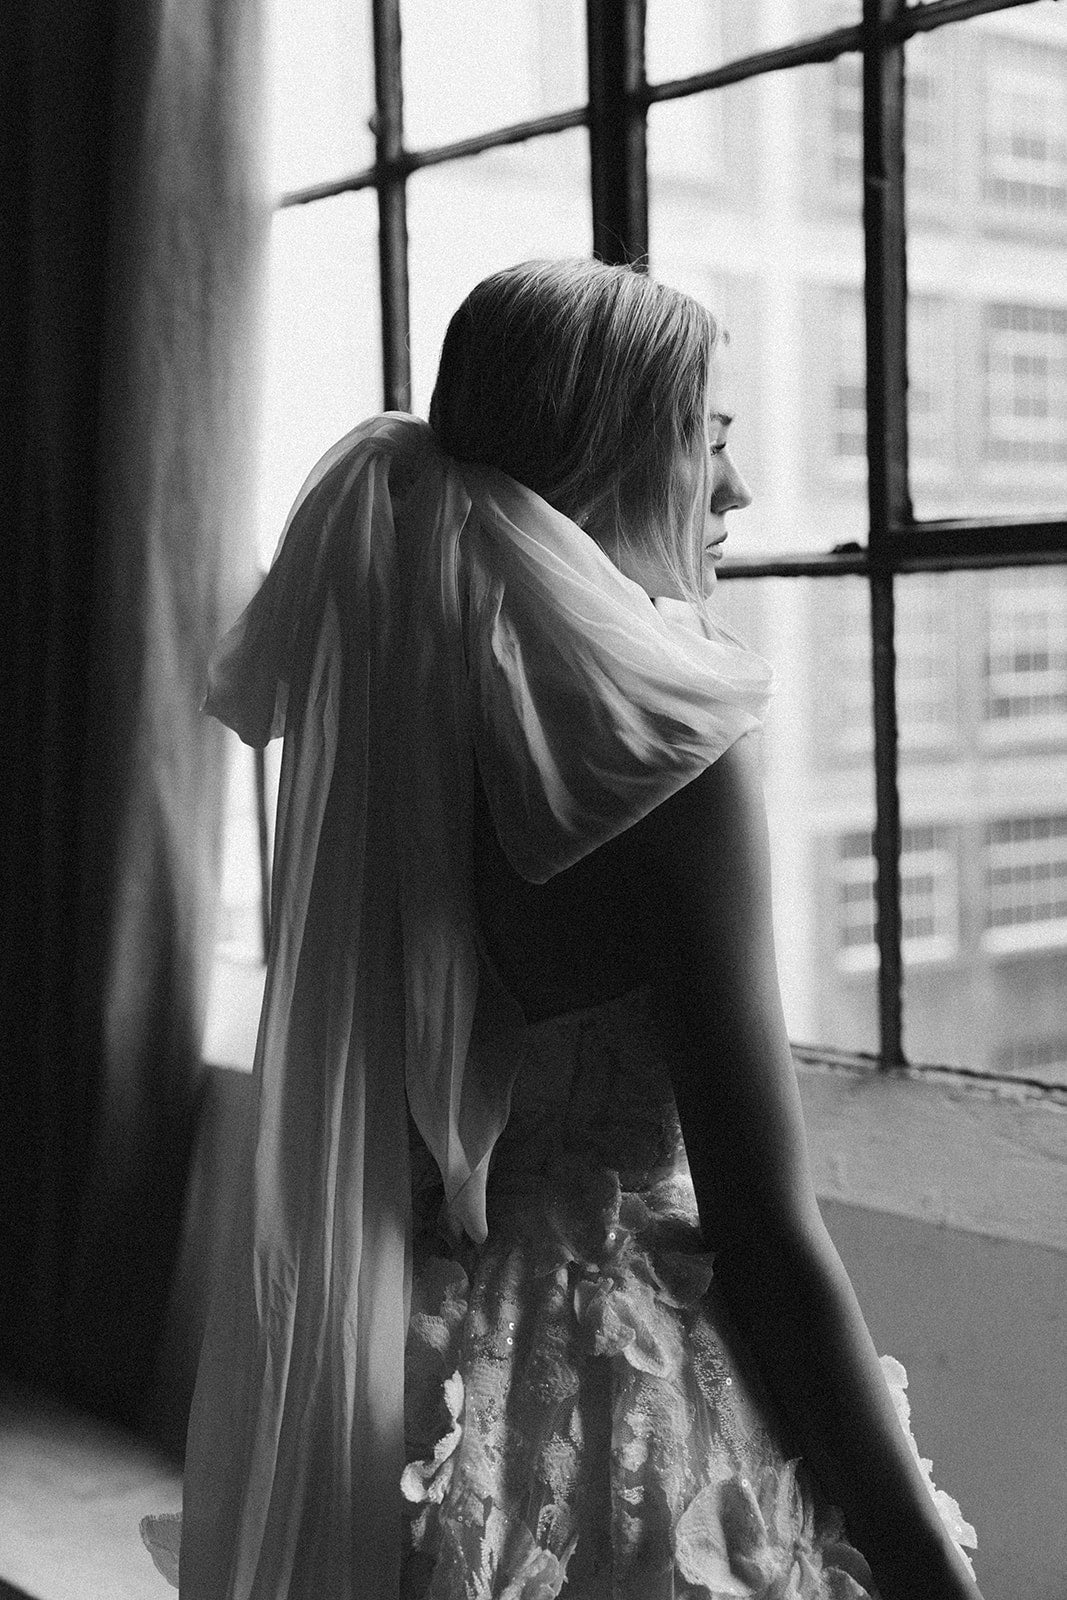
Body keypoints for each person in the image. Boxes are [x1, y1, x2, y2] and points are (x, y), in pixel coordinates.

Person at [143, 258, 982, 1599]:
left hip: (430, 1380)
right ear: (611, 462)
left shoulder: (408, 743)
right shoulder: (671, 769)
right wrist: (928, 1563)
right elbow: (763, 1230)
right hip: (625, 1391)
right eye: (709, 442)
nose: (737, 492)